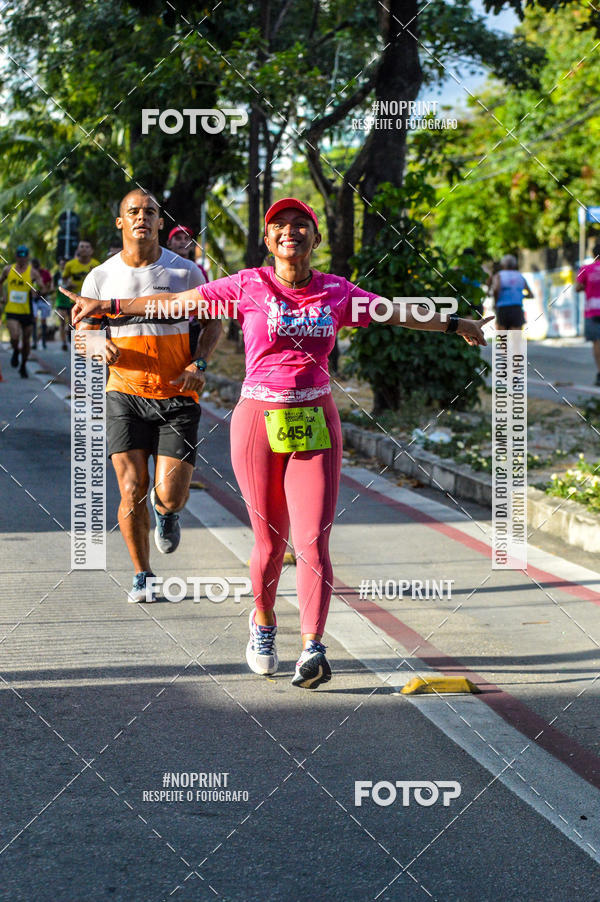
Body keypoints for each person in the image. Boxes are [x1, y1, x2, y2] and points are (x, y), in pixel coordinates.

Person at [68, 197, 492, 689]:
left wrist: (455, 323)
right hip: (257, 422)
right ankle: (264, 622)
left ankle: (313, 648)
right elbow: (173, 304)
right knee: (270, 543)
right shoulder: (246, 285)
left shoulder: (337, 292)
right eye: (279, 225)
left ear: (315, 238)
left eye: (300, 224)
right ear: (268, 241)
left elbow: (393, 311)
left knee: (312, 540)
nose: (290, 231)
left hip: (316, 420)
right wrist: (109, 306)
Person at [70, 189, 221, 603]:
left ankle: (167, 512)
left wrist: (199, 363)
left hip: (178, 394)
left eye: (150, 212)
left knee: (171, 495)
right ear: (120, 222)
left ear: (160, 222)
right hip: (125, 393)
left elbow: (213, 323)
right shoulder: (100, 277)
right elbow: (82, 334)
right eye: (133, 212)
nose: (141, 217)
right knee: (131, 487)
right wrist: (96, 344)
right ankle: (143, 575)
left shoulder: (186, 272)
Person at [0, 245, 42, 377]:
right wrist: (3, 296)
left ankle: (23, 365)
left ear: (27, 257)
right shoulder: (8, 269)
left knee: (26, 341)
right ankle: (15, 351)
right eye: (19, 256)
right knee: (14, 336)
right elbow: (0, 282)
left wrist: (37, 291)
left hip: (27, 311)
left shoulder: (33, 272)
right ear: (16, 256)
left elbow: (42, 286)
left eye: (24, 256)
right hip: (11, 309)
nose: (22, 259)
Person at [59, 240, 100, 350]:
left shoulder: (96, 264)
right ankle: (76, 345)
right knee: (74, 322)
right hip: (74, 301)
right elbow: (63, 280)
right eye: (81, 246)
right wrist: (68, 284)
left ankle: (88, 348)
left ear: (91, 251)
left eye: (87, 247)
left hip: (91, 301)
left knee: (90, 325)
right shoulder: (70, 265)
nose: (84, 249)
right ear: (78, 250)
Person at [575, 241, 600, 386]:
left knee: (597, 342)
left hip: (593, 310)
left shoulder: (586, 269)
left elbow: (577, 288)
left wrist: (588, 286)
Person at [491, 254, 533, 331]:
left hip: (502, 308)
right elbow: (531, 295)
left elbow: (496, 289)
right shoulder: (520, 276)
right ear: (515, 264)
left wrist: (495, 303)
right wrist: (520, 296)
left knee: (502, 336)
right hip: (517, 308)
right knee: (516, 336)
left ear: (502, 264)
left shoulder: (499, 275)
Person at [31, 258, 52, 349]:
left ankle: (43, 342)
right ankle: (34, 342)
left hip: (44, 299)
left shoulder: (45, 273)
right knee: (34, 319)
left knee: (43, 320)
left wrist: (45, 291)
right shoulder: (30, 273)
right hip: (34, 300)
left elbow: (50, 285)